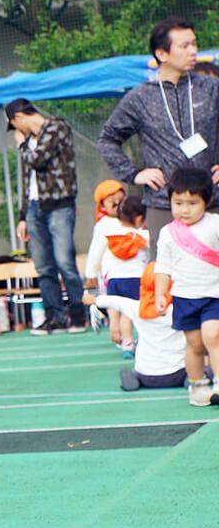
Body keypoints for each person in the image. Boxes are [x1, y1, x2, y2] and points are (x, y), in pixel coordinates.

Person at [100, 17, 219, 244]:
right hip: (163, 204)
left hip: (212, 200)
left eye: (194, 44)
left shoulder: (211, 88)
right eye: (185, 46)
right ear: (162, 54)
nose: (193, 51)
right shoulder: (140, 97)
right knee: (164, 274)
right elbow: (107, 139)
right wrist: (134, 174)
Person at [7, 98, 86, 334]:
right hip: (34, 205)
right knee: (43, 266)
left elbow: (37, 160)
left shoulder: (56, 127)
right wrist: (22, 215)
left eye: (14, 125)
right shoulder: (29, 140)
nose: (17, 132)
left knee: (64, 261)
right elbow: (25, 178)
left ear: (18, 118)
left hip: (60, 204)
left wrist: (22, 147)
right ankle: (55, 318)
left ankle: (77, 314)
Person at [154, 168, 219, 407]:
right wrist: (160, 293)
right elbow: (163, 266)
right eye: (178, 202)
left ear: (207, 201)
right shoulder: (168, 233)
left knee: (214, 335)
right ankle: (198, 385)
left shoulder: (215, 225)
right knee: (194, 344)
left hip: (215, 295)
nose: (184, 209)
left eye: (192, 203)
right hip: (184, 297)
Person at [95, 262, 186, 391]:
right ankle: (194, 379)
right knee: (199, 368)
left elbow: (116, 301)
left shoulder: (136, 308)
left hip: (146, 375)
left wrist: (94, 300)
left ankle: (134, 378)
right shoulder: (179, 308)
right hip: (178, 373)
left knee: (137, 371)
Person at [85, 191, 149, 356]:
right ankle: (139, 343)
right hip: (135, 279)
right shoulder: (142, 236)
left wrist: (91, 274)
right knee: (135, 312)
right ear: (140, 219)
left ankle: (124, 341)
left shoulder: (111, 235)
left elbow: (97, 253)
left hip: (113, 280)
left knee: (120, 311)